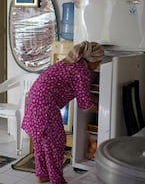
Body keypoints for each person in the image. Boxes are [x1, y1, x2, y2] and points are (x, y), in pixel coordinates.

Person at [21, 41, 104, 184]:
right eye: (99, 62)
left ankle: (42, 175)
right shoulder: (82, 71)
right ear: (93, 60)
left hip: (34, 103)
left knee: (41, 142)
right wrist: (104, 111)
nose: (98, 66)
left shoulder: (73, 65)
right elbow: (85, 104)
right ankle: (57, 180)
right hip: (46, 107)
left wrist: (101, 99)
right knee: (56, 144)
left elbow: (82, 92)